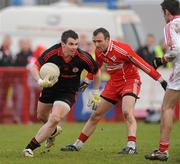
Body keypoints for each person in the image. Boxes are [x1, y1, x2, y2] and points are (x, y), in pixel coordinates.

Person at [60, 27, 167, 154]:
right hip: (113, 84)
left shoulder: (122, 49)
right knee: (95, 115)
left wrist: (161, 81)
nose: (96, 44)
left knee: (127, 111)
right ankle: (77, 145)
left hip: (130, 81)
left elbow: (143, 64)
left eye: (99, 41)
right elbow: (95, 68)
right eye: (94, 41)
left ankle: (131, 146)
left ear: (108, 39)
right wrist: (86, 82)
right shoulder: (99, 52)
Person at [22, 29, 101, 157]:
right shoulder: (52, 53)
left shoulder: (82, 57)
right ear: (63, 44)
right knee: (42, 117)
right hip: (50, 88)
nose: (74, 47)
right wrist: (40, 81)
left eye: (76, 44)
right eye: (71, 44)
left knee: (55, 118)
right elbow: (34, 67)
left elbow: (96, 71)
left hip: (68, 92)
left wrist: (96, 92)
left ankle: (30, 148)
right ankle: (53, 132)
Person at [145, 0, 180, 161]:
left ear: (167, 12)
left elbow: (175, 49)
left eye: (163, 13)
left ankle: (163, 150)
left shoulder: (171, 25)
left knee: (167, 107)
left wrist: (162, 60)